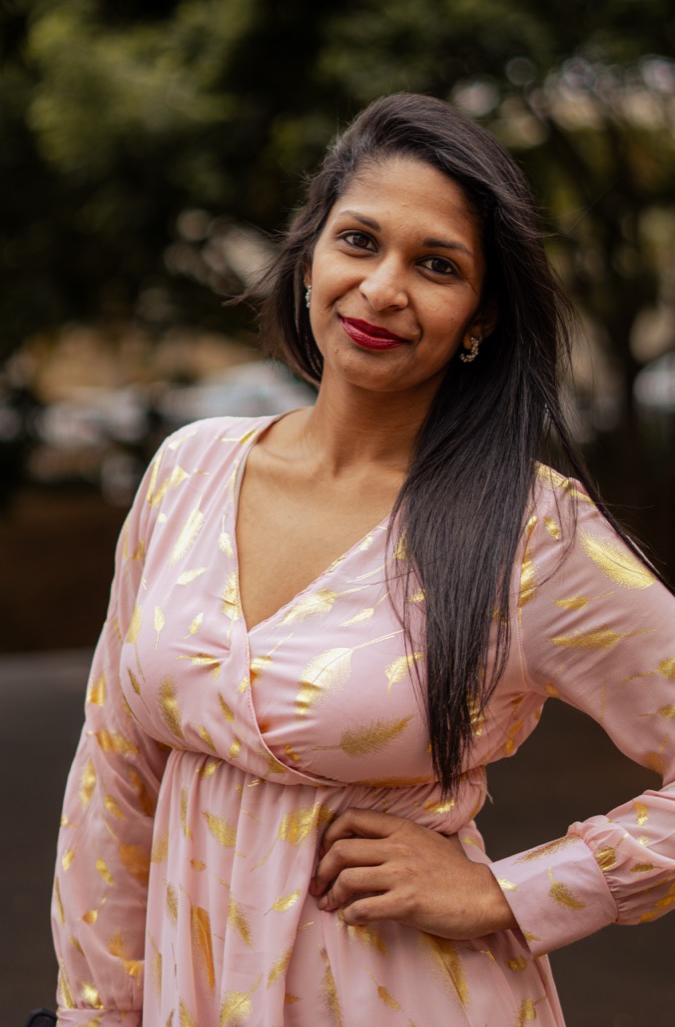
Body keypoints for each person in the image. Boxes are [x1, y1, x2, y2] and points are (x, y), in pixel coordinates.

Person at [52, 93, 675, 1027]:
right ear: (310, 257)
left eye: (436, 265)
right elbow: (114, 775)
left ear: (480, 315)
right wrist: (96, 1010)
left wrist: (510, 890)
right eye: (358, 242)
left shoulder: (532, 531)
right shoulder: (187, 472)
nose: (383, 288)